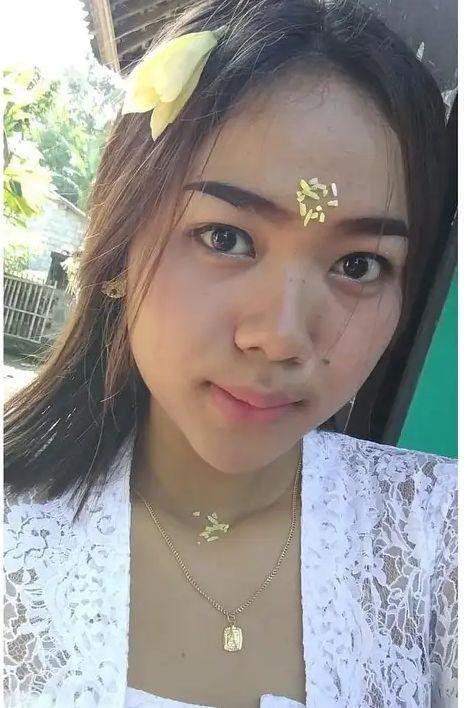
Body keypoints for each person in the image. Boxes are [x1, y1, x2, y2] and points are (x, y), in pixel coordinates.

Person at [3, 0, 457, 706]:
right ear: (120, 244)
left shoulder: (437, 542)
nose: (280, 336)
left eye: (359, 265)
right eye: (226, 238)